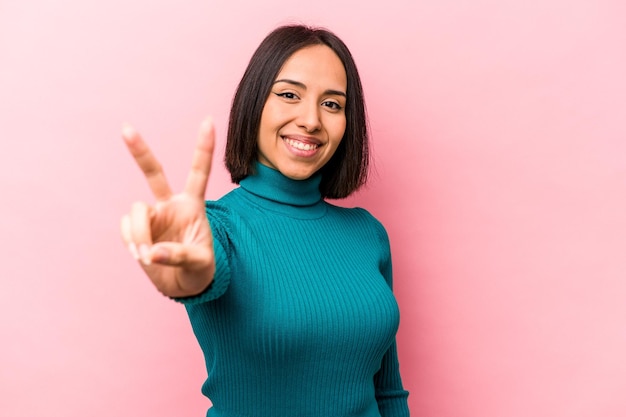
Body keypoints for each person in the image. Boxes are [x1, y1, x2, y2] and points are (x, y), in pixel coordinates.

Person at [120, 24, 410, 417]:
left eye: (332, 104)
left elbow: (388, 392)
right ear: (254, 103)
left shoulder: (367, 233)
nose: (311, 120)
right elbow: (203, 271)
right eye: (289, 95)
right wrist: (188, 276)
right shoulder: (215, 229)